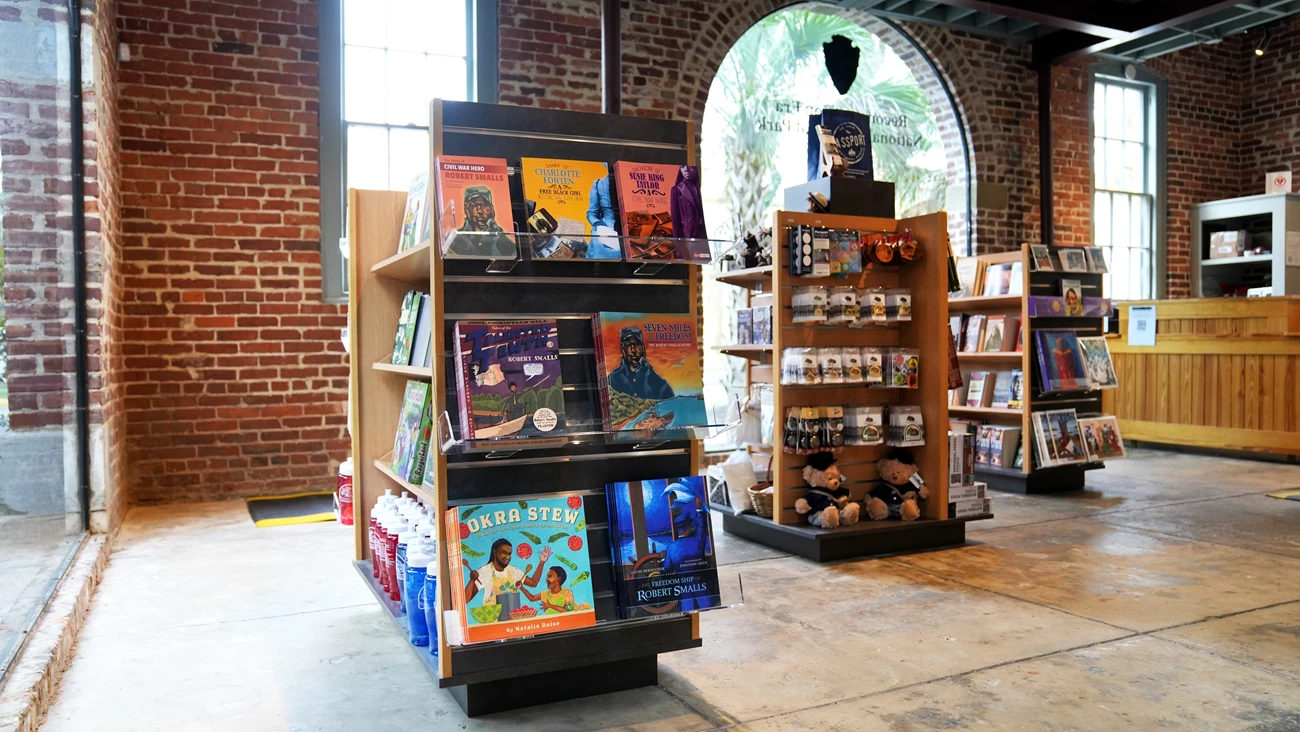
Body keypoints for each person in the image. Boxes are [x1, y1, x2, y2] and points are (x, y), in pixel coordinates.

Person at [464, 538, 551, 606]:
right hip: (493, 618)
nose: (507, 557)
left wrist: (542, 562)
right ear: (495, 552)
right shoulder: (485, 571)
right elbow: (465, 600)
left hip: (512, 615)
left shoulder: (513, 571)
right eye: (504, 553)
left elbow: (533, 583)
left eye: (509, 554)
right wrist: (472, 580)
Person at [607, 326, 675, 400]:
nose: (633, 350)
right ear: (622, 349)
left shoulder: (660, 384)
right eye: (628, 345)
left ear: (642, 348)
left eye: (636, 345)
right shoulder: (612, 380)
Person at [447, 186, 514, 258]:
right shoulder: (455, 240)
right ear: (467, 209)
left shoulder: (503, 241)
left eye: (484, 206)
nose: (480, 211)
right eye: (474, 206)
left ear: (491, 209)